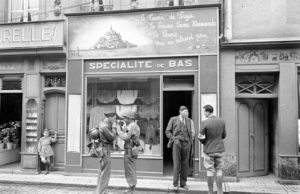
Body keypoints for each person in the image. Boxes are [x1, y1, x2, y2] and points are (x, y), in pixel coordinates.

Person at [198, 104, 226, 194]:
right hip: (220, 149)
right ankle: (220, 191)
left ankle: (210, 192)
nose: (204, 113)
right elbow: (224, 135)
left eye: (204, 111)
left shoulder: (204, 122)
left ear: (207, 111)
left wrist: (204, 142)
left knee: (210, 170)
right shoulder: (222, 121)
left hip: (209, 150)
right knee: (219, 169)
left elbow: (201, 137)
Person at [165, 106, 195, 190]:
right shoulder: (173, 119)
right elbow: (167, 131)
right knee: (177, 163)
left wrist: (190, 140)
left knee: (185, 163)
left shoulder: (189, 121)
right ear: (180, 112)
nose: (186, 113)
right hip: (177, 142)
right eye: (185, 112)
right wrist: (173, 138)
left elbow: (192, 132)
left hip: (187, 143)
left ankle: (183, 183)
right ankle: (175, 184)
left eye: (187, 112)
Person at [116, 110, 140, 194]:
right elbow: (126, 132)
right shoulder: (131, 125)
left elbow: (126, 137)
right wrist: (122, 127)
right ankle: (131, 187)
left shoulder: (132, 126)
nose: (124, 119)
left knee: (130, 169)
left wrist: (118, 130)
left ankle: (132, 188)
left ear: (130, 118)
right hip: (129, 149)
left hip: (130, 150)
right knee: (129, 169)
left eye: (125, 118)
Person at [94, 110, 117, 194]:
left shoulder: (102, 123)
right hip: (105, 149)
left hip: (102, 148)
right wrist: (114, 128)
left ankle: (100, 190)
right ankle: (100, 191)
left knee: (102, 170)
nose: (115, 119)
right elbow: (112, 137)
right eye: (114, 118)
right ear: (110, 117)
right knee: (105, 172)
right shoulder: (105, 126)